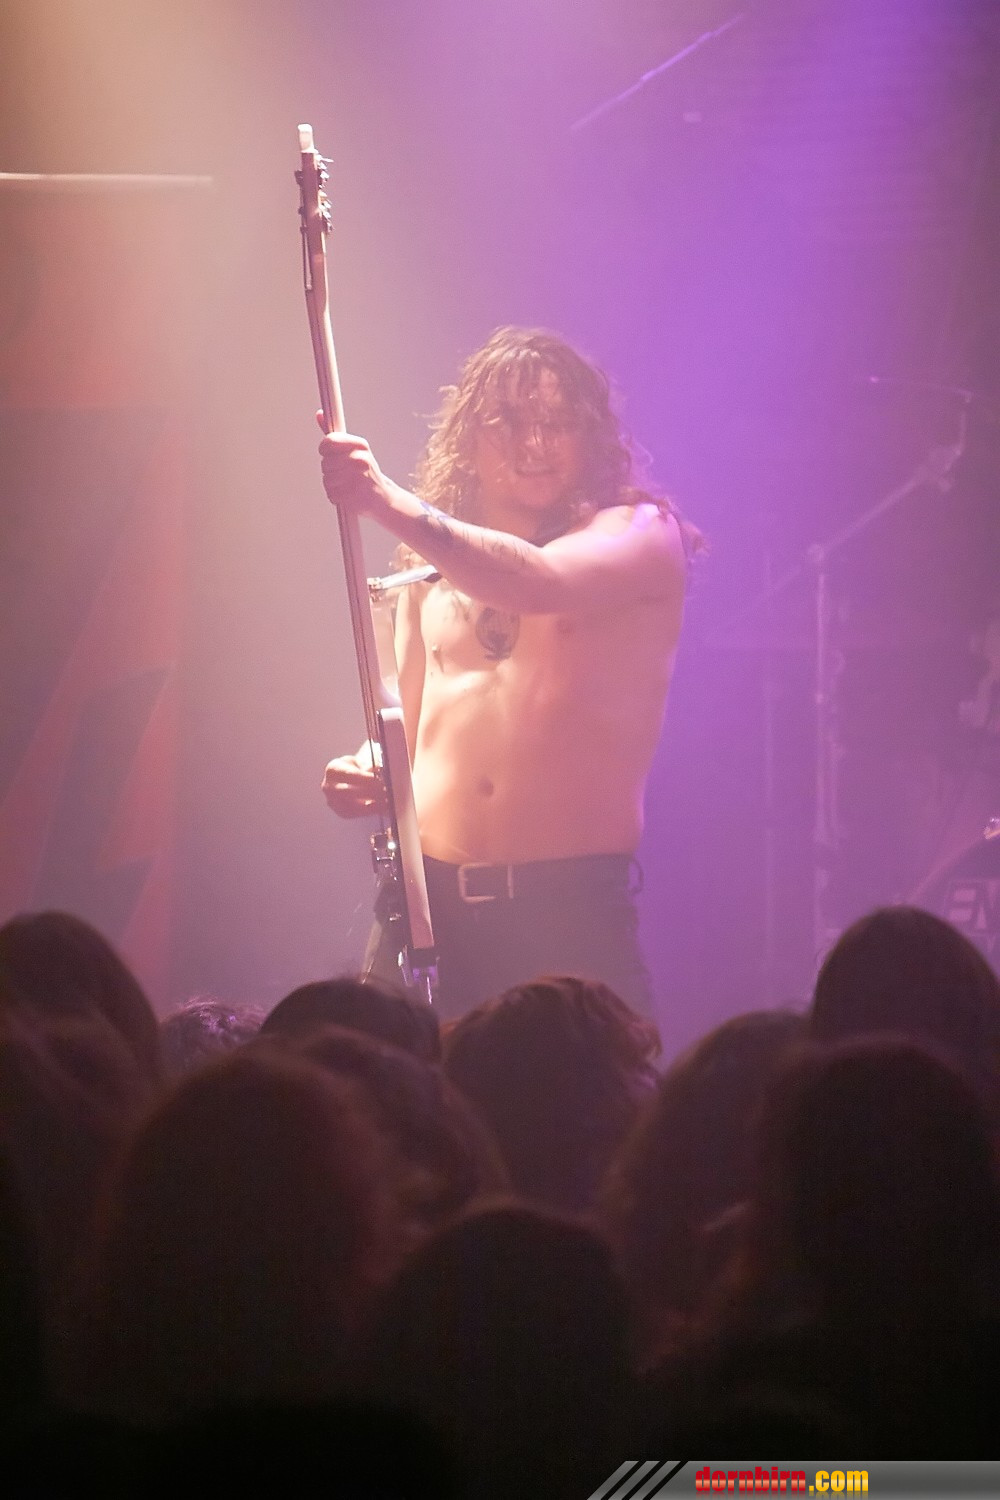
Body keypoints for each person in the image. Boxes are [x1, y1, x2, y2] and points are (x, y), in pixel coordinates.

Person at [319, 327, 694, 1017]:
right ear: (470, 439)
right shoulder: (426, 569)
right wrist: (371, 766)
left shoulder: (640, 533)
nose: (534, 445)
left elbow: (538, 582)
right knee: (377, 1082)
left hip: (564, 911)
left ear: (590, 438)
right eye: (510, 424)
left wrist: (383, 499)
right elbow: (407, 723)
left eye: (557, 424)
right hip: (426, 907)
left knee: (582, 1087)